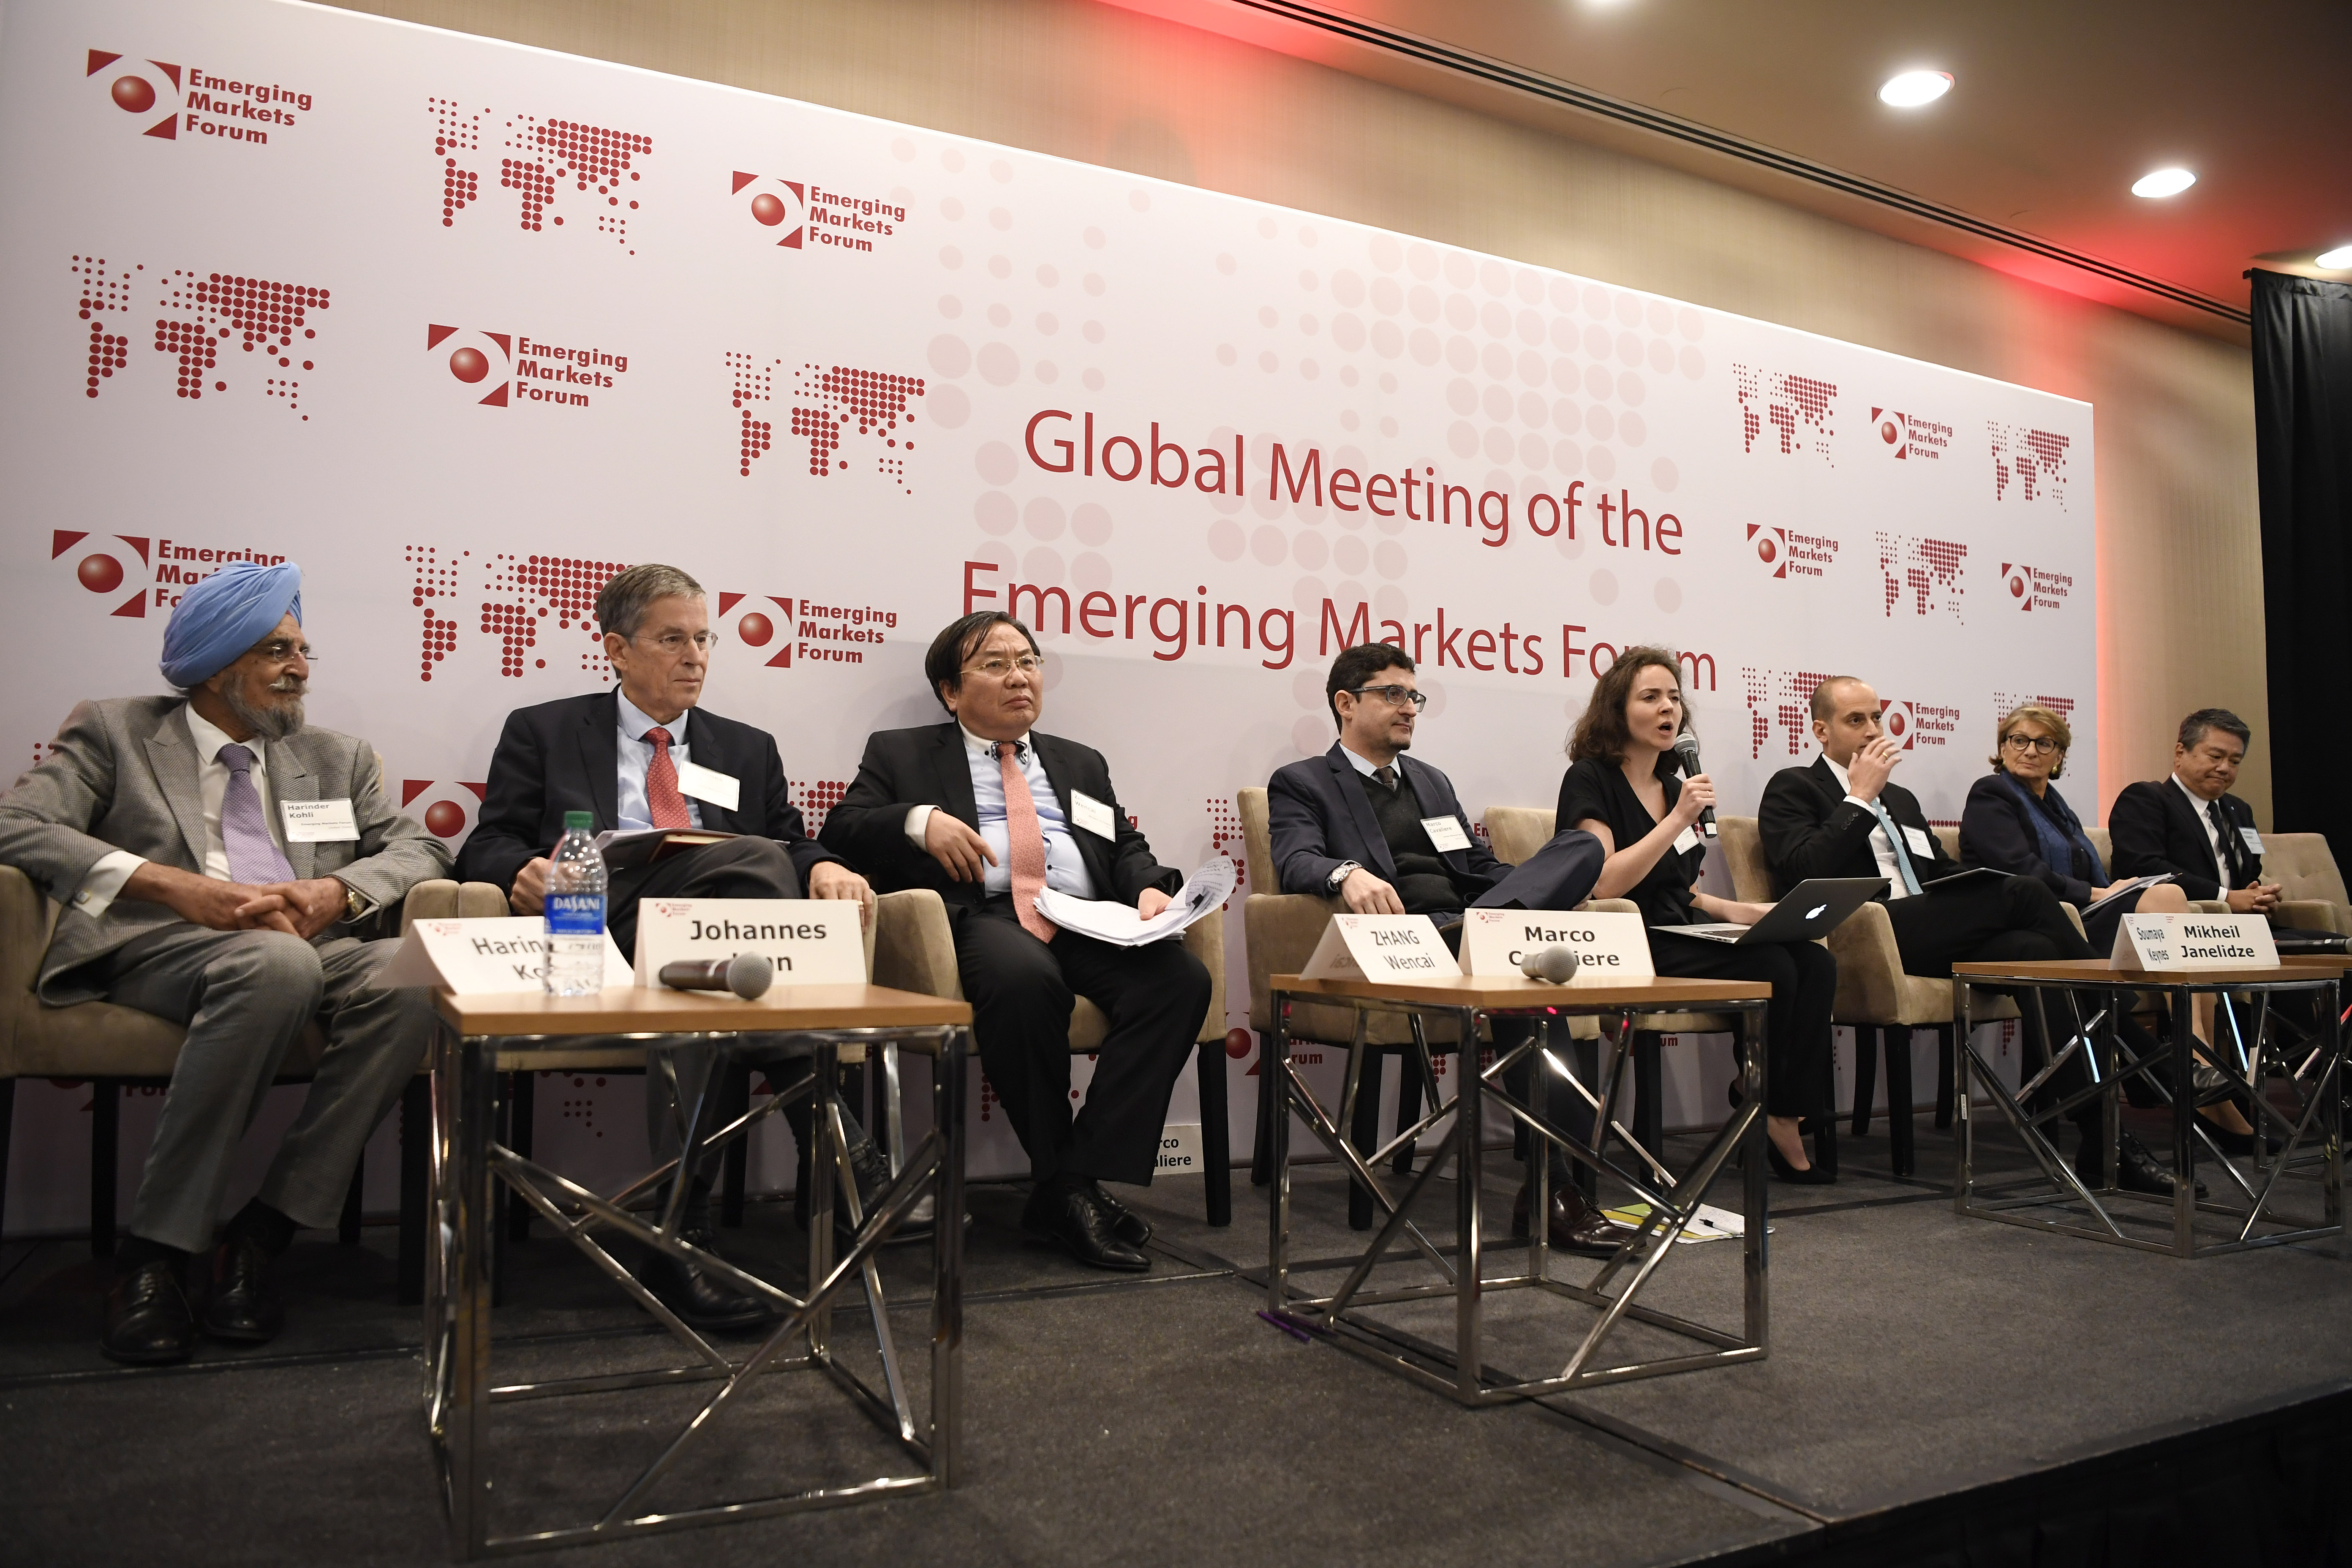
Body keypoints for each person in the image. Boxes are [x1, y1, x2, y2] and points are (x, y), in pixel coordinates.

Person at [0, 562, 449, 1365]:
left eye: (304, 651)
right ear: (215, 665)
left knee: (412, 974)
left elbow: (421, 847)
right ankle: (154, 1255)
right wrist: (171, 885)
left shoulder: (337, 756)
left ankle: (262, 1234)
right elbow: (18, 826)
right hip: (159, 943)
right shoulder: (116, 730)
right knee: (276, 966)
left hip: (308, 945)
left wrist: (337, 892)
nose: (300, 669)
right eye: (278, 650)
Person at [457, 563, 890, 1330]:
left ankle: (680, 1234)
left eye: (704, 639)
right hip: (602, 922)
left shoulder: (747, 748)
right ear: (617, 649)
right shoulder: (545, 730)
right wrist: (519, 870)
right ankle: (836, 1142)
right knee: (753, 862)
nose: (694, 656)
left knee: (709, 975)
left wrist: (822, 863)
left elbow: (790, 841)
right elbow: (486, 842)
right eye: (672, 640)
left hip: (710, 942)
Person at [818, 612, 1211, 1272]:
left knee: (1179, 981)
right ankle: (1068, 1189)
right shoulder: (901, 752)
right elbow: (843, 829)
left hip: (1085, 918)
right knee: (1026, 979)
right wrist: (919, 822)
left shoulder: (1080, 761)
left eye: (1028, 662)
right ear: (951, 691)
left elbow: (1124, 846)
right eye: (996, 665)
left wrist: (1149, 889)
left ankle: (1070, 1182)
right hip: (986, 915)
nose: (1020, 678)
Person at [1759, 676, 2198, 1197]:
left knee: (2035, 953)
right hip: (1866, 936)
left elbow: (1937, 871)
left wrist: (1976, 887)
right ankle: (2147, 1051)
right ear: (1821, 731)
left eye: (1876, 717)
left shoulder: (1901, 798)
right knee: (2027, 893)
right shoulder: (1794, 787)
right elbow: (1801, 871)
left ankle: (2105, 1141)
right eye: (1857, 720)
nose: (1873, 730)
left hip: (1931, 932)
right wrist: (1858, 798)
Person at [1266, 643, 1625, 1252]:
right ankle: (1556, 1188)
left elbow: (1477, 866)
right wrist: (1345, 873)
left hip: (1470, 927)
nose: (1410, 707)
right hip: (1409, 943)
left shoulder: (1432, 781)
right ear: (1346, 704)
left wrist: (1537, 884)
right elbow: (1296, 859)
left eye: (1414, 695)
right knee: (1521, 973)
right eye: (1393, 694)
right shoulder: (1303, 782)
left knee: (1581, 850)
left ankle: (1554, 1181)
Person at [1560, 648, 1839, 1183]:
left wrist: (1747, 912)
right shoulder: (1590, 778)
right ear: (1617, 710)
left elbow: (1682, 892)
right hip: (1627, 936)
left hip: (1678, 927)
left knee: (1814, 962)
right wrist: (1678, 818)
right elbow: (1604, 881)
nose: (1669, 708)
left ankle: (1777, 1106)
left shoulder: (1674, 786)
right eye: (1650, 697)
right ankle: (1765, 1104)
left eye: (1673, 697)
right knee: (1773, 967)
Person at [1961, 704, 2191, 953]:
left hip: (2076, 911)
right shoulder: (1990, 794)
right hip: (2027, 918)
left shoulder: (2059, 809)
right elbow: (2019, 868)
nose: (2030, 752)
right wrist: (2097, 894)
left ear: (2059, 757)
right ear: (2003, 749)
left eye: (2044, 744)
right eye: (2020, 741)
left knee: (2168, 894)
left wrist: (2112, 891)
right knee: (2164, 899)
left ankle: (2178, 980)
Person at [2107, 709, 2282, 914]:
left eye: (2235, 761)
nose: (2225, 768)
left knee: (2312, 934)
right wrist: (2225, 898)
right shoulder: (2145, 799)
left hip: (2240, 923)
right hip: (2180, 923)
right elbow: (2143, 868)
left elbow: (2252, 871)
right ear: (2180, 753)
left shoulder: (2240, 810)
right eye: (2215, 757)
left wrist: (2259, 898)